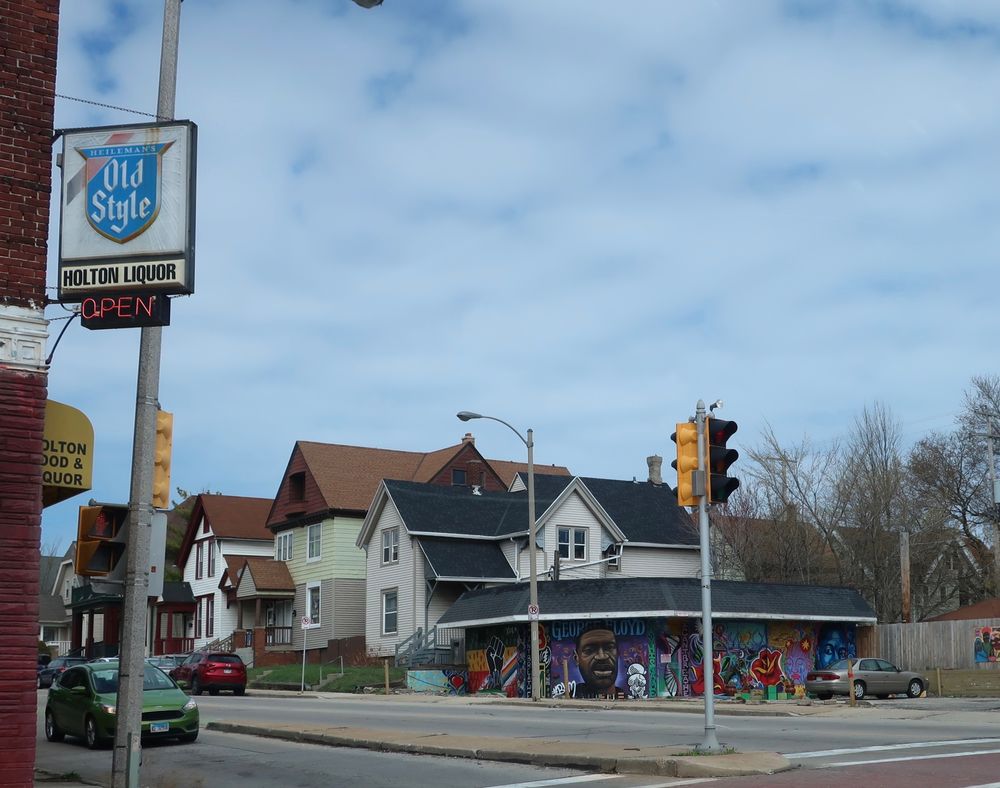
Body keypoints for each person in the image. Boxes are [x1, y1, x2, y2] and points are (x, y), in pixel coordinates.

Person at [572, 625, 624, 698]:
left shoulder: (629, 698)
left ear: (618, 654)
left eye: (609, 648)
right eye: (589, 650)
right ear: (576, 658)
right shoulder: (570, 696)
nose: (602, 657)